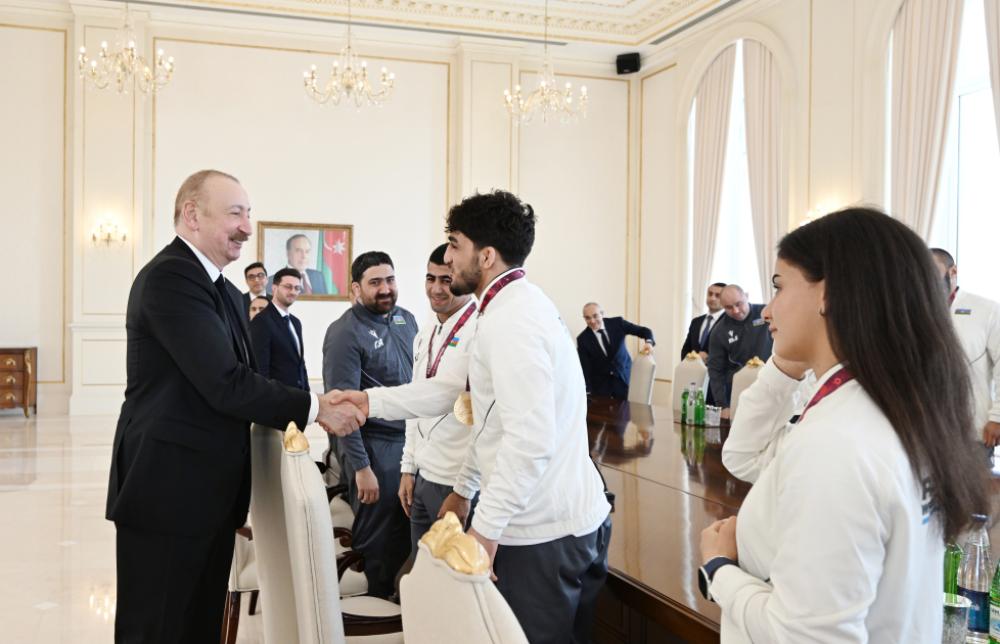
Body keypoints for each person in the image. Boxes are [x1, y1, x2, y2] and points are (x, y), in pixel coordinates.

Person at [699, 208, 989, 642]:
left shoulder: (837, 442)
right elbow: (745, 457)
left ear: (828, 293)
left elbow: (806, 636)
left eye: (779, 286)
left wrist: (719, 568)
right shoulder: (894, 408)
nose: (768, 310)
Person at [335, 191, 613, 644]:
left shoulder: (511, 320)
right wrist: (370, 403)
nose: (448, 258)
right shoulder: (511, 306)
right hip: (557, 518)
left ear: (485, 256)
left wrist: (484, 531)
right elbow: (458, 395)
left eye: (455, 245)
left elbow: (529, 439)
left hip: (543, 530)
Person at [106, 169, 364, 643]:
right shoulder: (170, 278)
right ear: (192, 215)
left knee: (198, 625)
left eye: (249, 214)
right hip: (167, 490)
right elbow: (225, 383)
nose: (247, 227)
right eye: (235, 214)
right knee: (157, 628)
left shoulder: (223, 289)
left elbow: (248, 377)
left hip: (207, 492)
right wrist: (316, 408)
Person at [321, 251, 418, 597]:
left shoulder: (406, 320)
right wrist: (362, 467)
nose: (385, 289)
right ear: (356, 289)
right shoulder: (344, 333)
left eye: (390, 280)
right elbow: (340, 408)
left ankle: (400, 604)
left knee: (406, 533)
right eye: (375, 282)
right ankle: (372, 604)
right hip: (373, 447)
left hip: (409, 443)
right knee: (379, 538)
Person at [397, 243, 478, 557]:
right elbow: (415, 402)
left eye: (446, 280)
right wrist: (408, 467)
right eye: (430, 279)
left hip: (457, 484)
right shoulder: (425, 330)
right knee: (421, 573)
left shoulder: (479, 329)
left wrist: (464, 490)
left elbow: (487, 423)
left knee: (454, 579)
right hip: (423, 478)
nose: (436, 289)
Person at [930, 248, 1000, 449]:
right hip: (926, 432)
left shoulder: (987, 310)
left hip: (973, 431)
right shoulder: (913, 311)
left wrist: (997, 416)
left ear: (952, 272)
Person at [706, 284, 773, 410]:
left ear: (746, 296)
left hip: (772, 384)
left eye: (738, 304)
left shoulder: (767, 313)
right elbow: (715, 370)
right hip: (740, 391)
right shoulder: (719, 331)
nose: (736, 311)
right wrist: (722, 405)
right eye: (729, 307)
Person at [576, 302, 655, 399]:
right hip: (601, 389)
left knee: (628, 409)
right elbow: (585, 368)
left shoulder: (617, 323)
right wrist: (587, 392)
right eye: (587, 318)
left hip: (625, 380)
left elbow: (644, 331)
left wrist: (649, 342)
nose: (592, 321)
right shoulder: (582, 339)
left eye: (595, 316)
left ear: (602, 314)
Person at [249, 267, 309, 391]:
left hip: (299, 396)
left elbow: (300, 364)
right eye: (288, 287)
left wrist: (308, 393)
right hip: (277, 397)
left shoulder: (296, 322)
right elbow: (260, 369)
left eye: (297, 288)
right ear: (274, 288)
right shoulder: (261, 321)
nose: (293, 292)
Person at [681, 282, 726, 360]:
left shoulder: (730, 322)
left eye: (717, 295)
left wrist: (709, 358)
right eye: (710, 294)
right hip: (693, 367)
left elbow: (732, 352)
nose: (712, 298)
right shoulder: (696, 322)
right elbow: (686, 350)